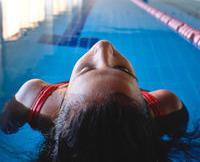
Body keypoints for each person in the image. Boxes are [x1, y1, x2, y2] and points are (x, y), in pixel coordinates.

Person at [0, 40, 199, 161]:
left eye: (87, 69)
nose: (103, 47)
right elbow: (177, 133)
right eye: (123, 70)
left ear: (61, 102)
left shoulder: (33, 97)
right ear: (144, 103)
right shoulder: (166, 105)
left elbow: (7, 128)